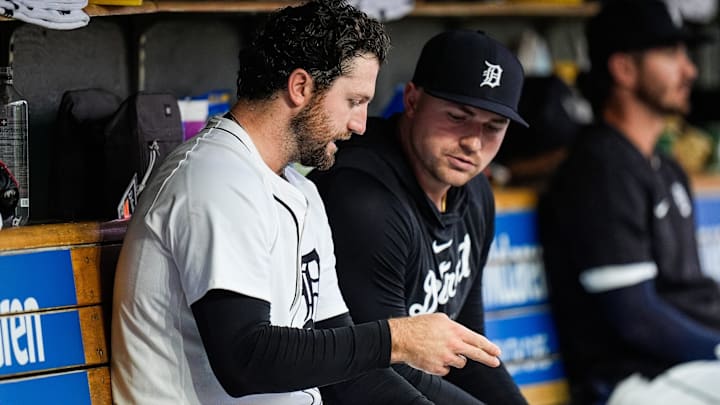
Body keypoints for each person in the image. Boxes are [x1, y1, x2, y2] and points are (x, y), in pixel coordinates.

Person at [110, 2, 506, 404]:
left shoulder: (302, 192)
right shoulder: (214, 177)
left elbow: (353, 377)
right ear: (301, 87)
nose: (360, 124)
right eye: (354, 101)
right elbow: (245, 359)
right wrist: (396, 338)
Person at [309, 29, 529, 405]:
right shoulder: (363, 195)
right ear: (412, 100)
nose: (473, 143)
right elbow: (374, 370)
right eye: (459, 117)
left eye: (494, 127)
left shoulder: (475, 193)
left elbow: (469, 344)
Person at [538, 1, 720, 404]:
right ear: (623, 69)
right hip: (633, 380)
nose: (689, 70)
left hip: (687, 369)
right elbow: (636, 319)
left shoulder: (666, 168)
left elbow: (690, 295)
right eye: (671, 54)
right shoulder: (601, 167)